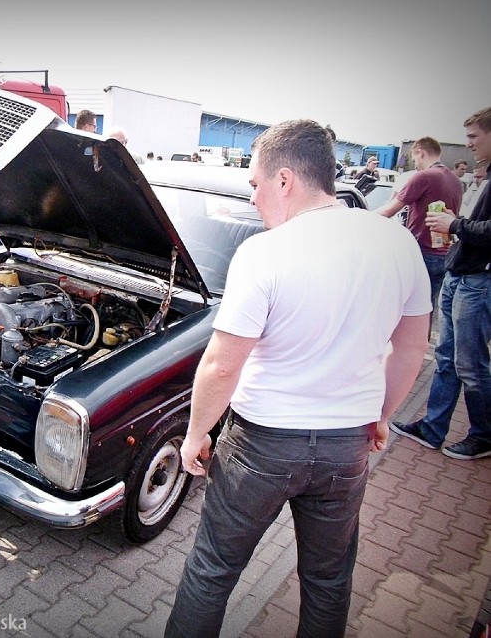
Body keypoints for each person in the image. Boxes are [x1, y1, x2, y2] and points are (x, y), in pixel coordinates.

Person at [164, 119, 430, 638]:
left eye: (255, 184)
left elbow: (223, 363)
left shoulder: (266, 252)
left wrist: (197, 434)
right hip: (345, 448)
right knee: (329, 580)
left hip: (261, 446)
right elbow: (412, 347)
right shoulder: (397, 242)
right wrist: (381, 418)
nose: (254, 196)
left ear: (284, 179)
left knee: (212, 571)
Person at [390, 106, 491, 460]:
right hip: (459, 271)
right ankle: (433, 428)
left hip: (476, 279)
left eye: (474, 137)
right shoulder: (468, 178)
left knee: (470, 364)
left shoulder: (435, 177)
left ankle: (483, 435)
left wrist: (456, 225)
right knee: (448, 357)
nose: (469, 145)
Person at [372, 137, 463, 315]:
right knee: (426, 309)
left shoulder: (424, 176)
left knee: (403, 310)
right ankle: (422, 342)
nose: (415, 165)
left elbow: (389, 210)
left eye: (414, 160)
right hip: (444, 253)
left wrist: (357, 216)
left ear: (420, 152)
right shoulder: (456, 181)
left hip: (421, 252)